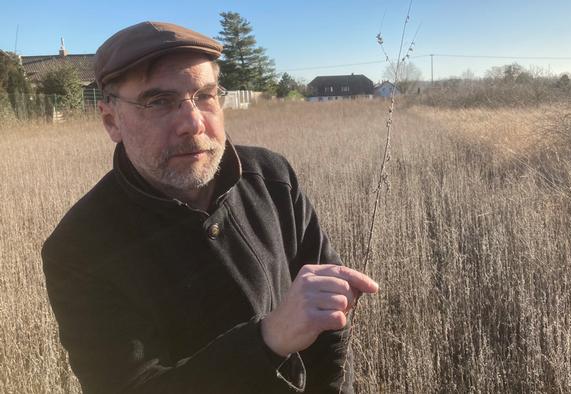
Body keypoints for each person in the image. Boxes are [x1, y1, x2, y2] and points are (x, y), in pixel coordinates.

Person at [42, 21, 378, 394]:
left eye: (205, 95)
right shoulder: (78, 247)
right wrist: (267, 340)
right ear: (111, 120)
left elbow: (329, 321)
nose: (192, 122)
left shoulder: (272, 179)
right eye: (158, 102)